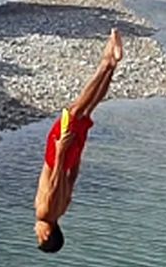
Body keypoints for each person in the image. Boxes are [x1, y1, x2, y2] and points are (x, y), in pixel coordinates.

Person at [34, 28, 124, 253]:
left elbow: (72, 178)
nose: (35, 233)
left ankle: (112, 66)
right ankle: (105, 65)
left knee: (88, 110)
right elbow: (54, 184)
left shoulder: (62, 210)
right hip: (58, 156)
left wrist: (76, 152)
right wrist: (62, 149)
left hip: (69, 159)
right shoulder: (45, 212)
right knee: (75, 110)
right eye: (38, 238)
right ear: (47, 234)